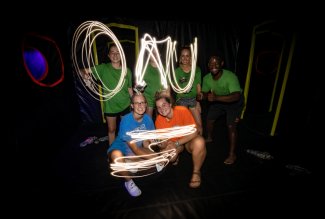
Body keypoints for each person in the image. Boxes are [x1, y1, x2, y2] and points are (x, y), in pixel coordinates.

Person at [83, 44, 133, 146]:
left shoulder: (127, 71)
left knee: (126, 129)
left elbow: (130, 89)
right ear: (109, 55)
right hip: (110, 107)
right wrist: (84, 75)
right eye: (112, 52)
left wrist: (133, 102)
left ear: (122, 55)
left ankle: (126, 150)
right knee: (111, 130)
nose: (115, 55)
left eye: (118, 52)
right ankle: (112, 153)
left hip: (125, 104)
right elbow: (83, 70)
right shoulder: (103, 68)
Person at [198, 55, 244, 165]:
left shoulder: (230, 76)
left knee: (231, 125)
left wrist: (216, 98)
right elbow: (204, 93)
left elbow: (236, 96)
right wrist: (201, 96)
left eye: (216, 63)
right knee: (209, 119)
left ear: (222, 64)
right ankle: (209, 137)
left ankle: (232, 154)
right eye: (211, 64)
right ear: (208, 65)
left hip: (233, 102)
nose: (214, 66)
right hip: (218, 101)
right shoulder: (206, 78)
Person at [107, 93, 155, 197]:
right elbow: (135, 149)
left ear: (146, 104)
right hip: (121, 148)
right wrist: (157, 158)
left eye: (142, 102)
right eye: (136, 103)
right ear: (132, 106)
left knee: (152, 161)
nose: (140, 105)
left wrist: (152, 151)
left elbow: (147, 142)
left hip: (135, 150)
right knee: (116, 155)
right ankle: (129, 182)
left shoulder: (148, 119)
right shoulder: (126, 120)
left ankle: (129, 163)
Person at [155, 93, 206, 188]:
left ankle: (196, 172)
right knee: (171, 156)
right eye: (158, 107)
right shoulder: (159, 120)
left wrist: (176, 143)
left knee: (200, 142)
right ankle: (175, 156)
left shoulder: (182, 110)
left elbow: (194, 132)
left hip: (187, 140)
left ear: (170, 104)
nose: (162, 109)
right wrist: (162, 145)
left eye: (164, 105)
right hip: (173, 143)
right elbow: (163, 142)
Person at [174, 46, 203, 135]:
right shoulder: (177, 71)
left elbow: (198, 87)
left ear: (191, 57)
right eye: (183, 56)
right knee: (184, 126)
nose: (185, 58)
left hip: (193, 99)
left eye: (187, 56)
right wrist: (182, 90)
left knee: (199, 126)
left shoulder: (197, 69)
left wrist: (198, 102)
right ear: (180, 58)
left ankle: (201, 145)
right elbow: (176, 88)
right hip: (181, 99)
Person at [142, 51, 170, 118]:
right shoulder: (144, 68)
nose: (154, 54)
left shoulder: (164, 68)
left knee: (162, 119)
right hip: (148, 98)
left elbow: (168, 85)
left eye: (156, 52)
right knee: (148, 120)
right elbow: (139, 86)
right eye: (152, 53)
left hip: (161, 97)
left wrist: (168, 98)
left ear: (159, 54)